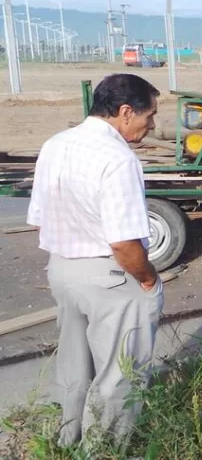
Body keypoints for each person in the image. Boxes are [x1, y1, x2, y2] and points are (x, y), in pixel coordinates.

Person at [27, 73, 162, 448]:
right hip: (109, 276)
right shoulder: (118, 158)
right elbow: (123, 242)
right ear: (124, 112)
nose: (150, 126)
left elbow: (40, 216)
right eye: (148, 116)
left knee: (73, 363)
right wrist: (147, 278)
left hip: (62, 269)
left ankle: (67, 440)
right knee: (120, 372)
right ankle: (104, 450)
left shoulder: (55, 144)